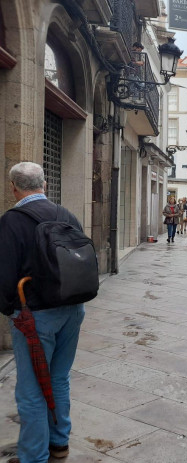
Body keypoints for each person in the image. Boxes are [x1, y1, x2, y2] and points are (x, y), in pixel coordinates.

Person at [0, 162, 89, 462]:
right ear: (45, 184)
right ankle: (59, 443)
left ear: (13, 188)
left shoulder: (12, 221)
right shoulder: (66, 215)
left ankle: (33, 457)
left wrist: (10, 310)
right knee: (59, 378)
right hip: (73, 309)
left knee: (30, 389)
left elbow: (4, 274)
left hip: (34, 315)